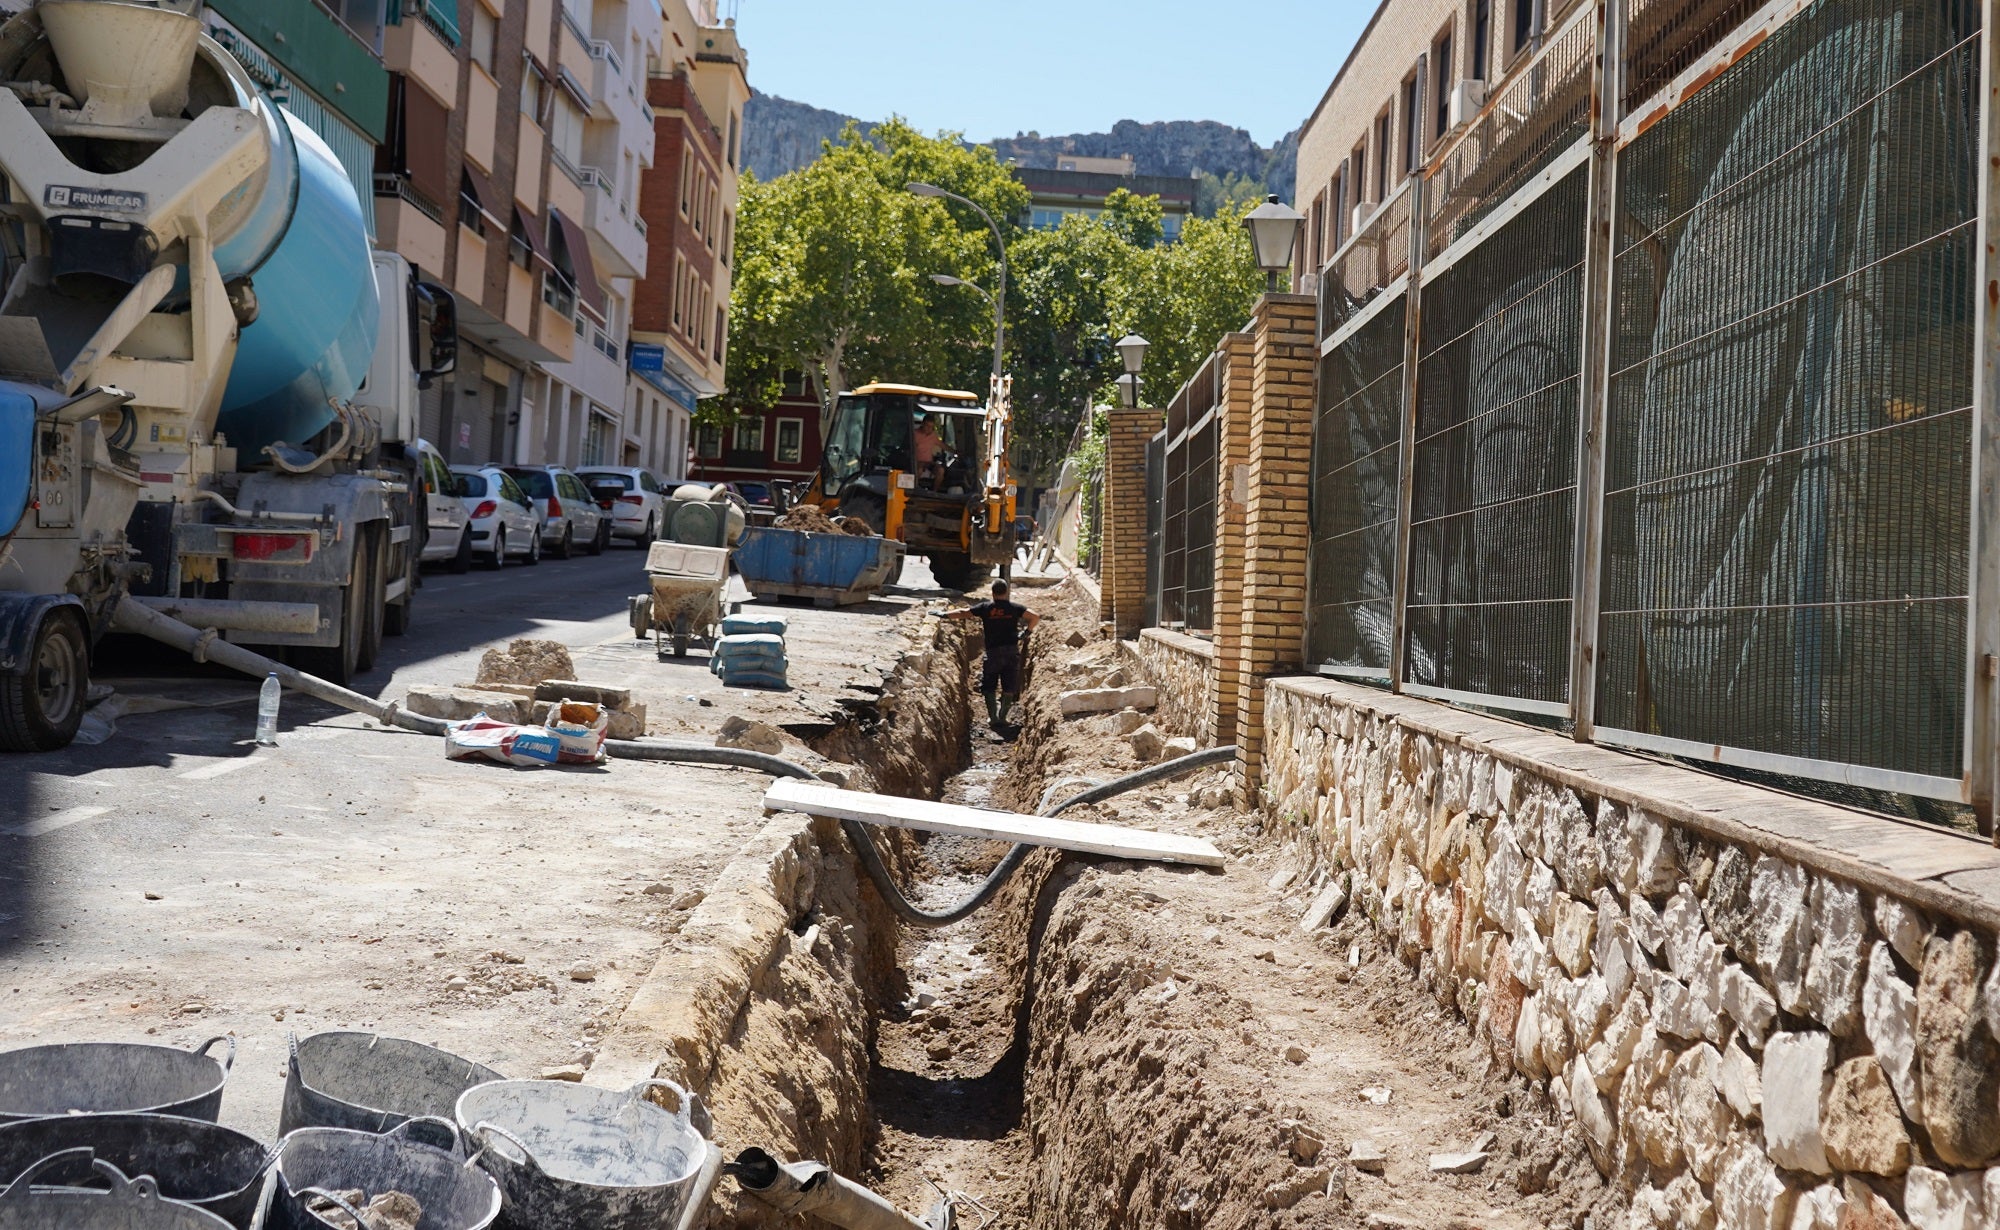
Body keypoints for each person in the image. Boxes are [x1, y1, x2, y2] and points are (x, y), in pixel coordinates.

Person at [942, 579, 1039, 727]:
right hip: (1011, 652)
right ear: (1006, 592)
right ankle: (1003, 717)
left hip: (993, 653)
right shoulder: (1014, 607)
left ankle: (993, 717)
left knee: (989, 684)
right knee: (1009, 685)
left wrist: (944, 614)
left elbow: (963, 613)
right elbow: (1035, 616)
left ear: (992, 593)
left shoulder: (985, 607)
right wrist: (1026, 632)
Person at [912, 414, 944, 489]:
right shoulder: (914, 434)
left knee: (940, 470)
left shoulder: (933, 436)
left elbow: (942, 445)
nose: (929, 429)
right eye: (927, 426)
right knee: (919, 470)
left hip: (929, 463)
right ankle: (914, 489)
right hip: (917, 462)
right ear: (922, 424)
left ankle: (934, 492)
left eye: (931, 427)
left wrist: (955, 451)